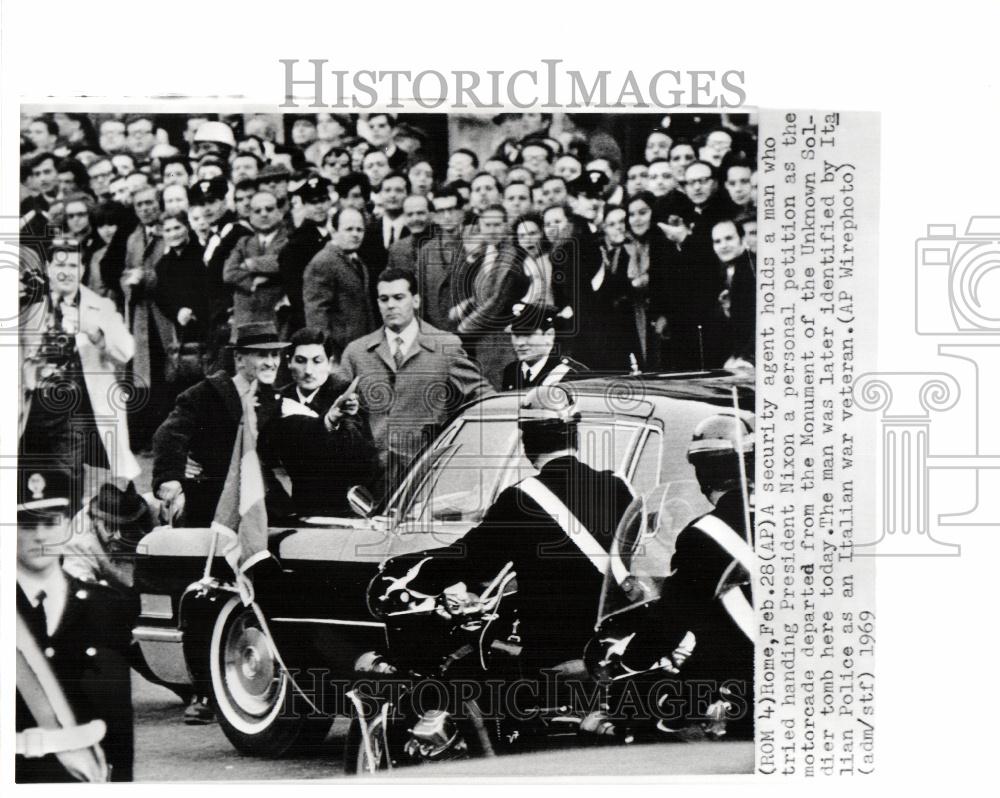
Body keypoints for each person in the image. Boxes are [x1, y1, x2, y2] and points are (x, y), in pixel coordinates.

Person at [390, 384, 634, 673]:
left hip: (551, 653)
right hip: (610, 647)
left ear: (526, 440)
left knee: (473, 672)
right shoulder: (619, 487)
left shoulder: (521, 499)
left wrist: (413, 583)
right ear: (574, 434)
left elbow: (470, 558)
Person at [617, 412, 755, 738]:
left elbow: (672, 618)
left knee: (663, 727)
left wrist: (631, 663)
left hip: (734, 687)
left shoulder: (703, 535)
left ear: (702, 474)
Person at [16, 469, 135, 782]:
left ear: (67, 525)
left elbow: (118, 728)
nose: (40, 535)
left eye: (51, 522)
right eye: (27, 524)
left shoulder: (104, 608)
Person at [337, 268, 492, 498]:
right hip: (371, 479)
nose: (391, 305)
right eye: (384, 299)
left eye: (399, 297)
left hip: (427, 475)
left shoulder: (444, 347)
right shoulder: (357, 352)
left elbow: (483, 397)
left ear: (416, 300)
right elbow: (339, 412)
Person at [19, 239, 140, 503]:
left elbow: (127, 350)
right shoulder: (28, 304)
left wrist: (95, 332)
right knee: (25, 480)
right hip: (31, 407)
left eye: (73, 265)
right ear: (49, 268)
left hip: (73, 411)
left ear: (82, 269)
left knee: (67, 480)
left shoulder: (99, 306)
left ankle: (68, 532)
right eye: (60, 264)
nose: (66, 271)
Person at [151, 321, 290, 529]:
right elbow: (168, 436)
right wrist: (172, 477)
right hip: (211, 503)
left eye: (275, 355)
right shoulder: (205, 394)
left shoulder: (275, 401)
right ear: (239, 359)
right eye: (262, 355)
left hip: (261, 502)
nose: (271, 363)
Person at [262, 328, 377, 517]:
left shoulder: (344, 394)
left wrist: (334, 422)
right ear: (289, 362)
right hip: (293, 507)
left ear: (330, 364)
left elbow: (361, 456)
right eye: (300, 361)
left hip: (340, 508)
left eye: (317, 361)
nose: (308, 371)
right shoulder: (281, 398)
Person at [302, 207, 379, 357]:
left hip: (361, 347)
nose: (355, 234)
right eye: (349, 229)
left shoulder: (358, 261)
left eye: (360, 230)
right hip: (339, 351)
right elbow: (316, 313)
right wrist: (325, 352)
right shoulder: (324, 261)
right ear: (334, 231)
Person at [223, 190, 289, 328]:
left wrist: (251, 264)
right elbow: (228, 273)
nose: (264, 214)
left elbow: (283, 263)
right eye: (257, 211)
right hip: (245, 322)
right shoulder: (244, 242)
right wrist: (252, 282)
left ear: (279, 212)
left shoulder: (289, 241)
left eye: (269, 209)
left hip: (276, 321)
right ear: (251, 216)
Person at [500, 302, 588, 391]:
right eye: (516, 335)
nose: (520, 343)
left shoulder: (571, 373)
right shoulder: (511, 371)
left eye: (527, 334)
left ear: (549, 335)